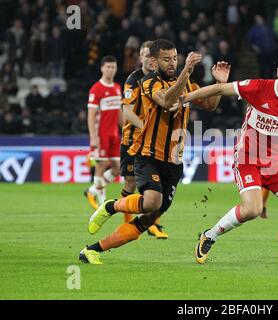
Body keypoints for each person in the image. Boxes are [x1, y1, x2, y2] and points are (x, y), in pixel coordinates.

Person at [79, 39, 231, 264]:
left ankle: (92, 250)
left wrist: (218, 85)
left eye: (175, 59)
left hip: (174, 162)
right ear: (154, 60)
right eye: (166, 59)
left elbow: (210, 105)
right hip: (148, 155)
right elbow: (168, 102)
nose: (172, 63)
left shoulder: (185, 83)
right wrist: (187, 71)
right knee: (151, 201)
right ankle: (110, 206)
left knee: (149, 218)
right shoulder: (149, 81)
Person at [182, 51, 278, 264]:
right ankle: (209, 236)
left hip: (275, 162)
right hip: (247, 159)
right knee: (253, 210)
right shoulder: (259, 87)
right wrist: (186, 98)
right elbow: (221, 88)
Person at [120, 40, 169, 239]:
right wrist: (146, 128)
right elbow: (127, 112)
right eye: (146, 55)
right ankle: (128, 224)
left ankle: (153, 223)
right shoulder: (134, 80)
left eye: (152, 56)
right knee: (131, 183)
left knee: (156, 185)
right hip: (133, 139)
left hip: (153, 142)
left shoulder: (161, 78)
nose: (150, 60)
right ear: (140, 57)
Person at [84, 56, 123, 209]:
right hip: (101, 134)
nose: (110, 70)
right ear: (102, 68)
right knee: (101, 165)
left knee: (118, 167)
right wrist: (93, 137)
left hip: (114, 134)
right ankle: (102, 204)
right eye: (108, 67)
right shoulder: (96, 89)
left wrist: (126, 128)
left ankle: (92, 190)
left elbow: (118, 112)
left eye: (113, 67)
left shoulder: (117, 87)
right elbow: (91, 115)